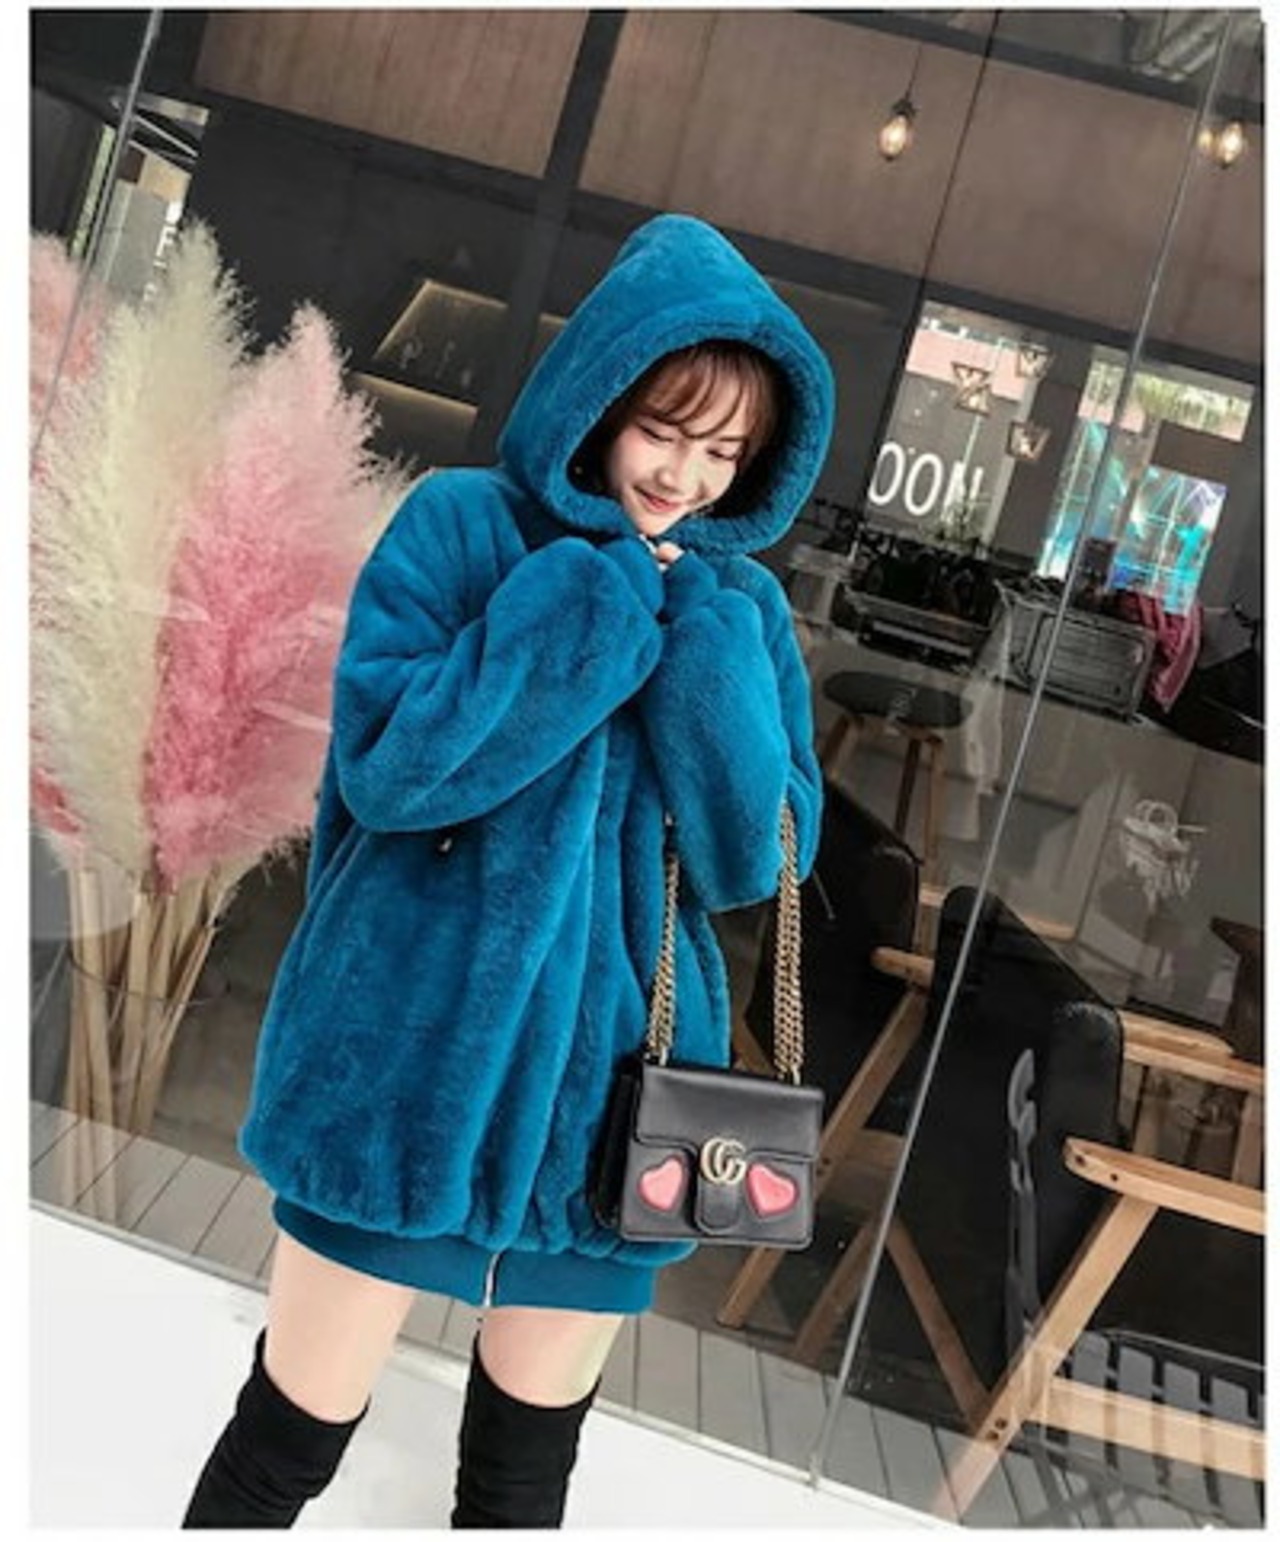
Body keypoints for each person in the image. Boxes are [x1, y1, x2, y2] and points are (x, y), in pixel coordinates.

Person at [180, 212, 835, 1529]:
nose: (687, 477)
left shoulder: (742, 608)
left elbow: (754, 857)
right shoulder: (464, 526)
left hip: (612, 1103)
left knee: (521, 1485)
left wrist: (703, 656)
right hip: (404, 1068)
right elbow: (393, 770)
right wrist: (591, 610)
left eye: (724, 453)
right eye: (665, 431)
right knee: (286, 1441)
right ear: (602, 398)